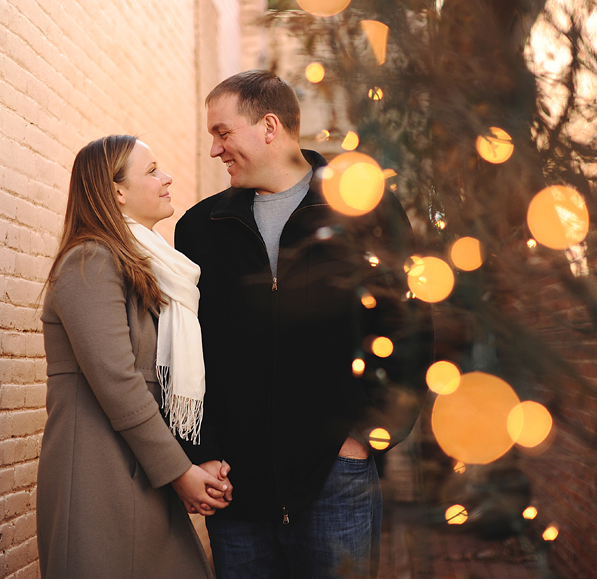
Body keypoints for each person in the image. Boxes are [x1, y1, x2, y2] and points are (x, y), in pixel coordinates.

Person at [174, 71, 433, 578]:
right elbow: (184, 353)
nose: (214, 150)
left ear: (269, 126)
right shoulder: (201, 229)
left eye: (223, 133)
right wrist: (200, 453)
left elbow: (409, 324)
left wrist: (368, 436)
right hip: (236, 487)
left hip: (336, 476)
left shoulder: (364, 209)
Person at [37, 135, 231, 579]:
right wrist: (179, 470)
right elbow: (119, 382)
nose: (167, 179)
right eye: (152, 171)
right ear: (117, 191)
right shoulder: (89, 261)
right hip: (99, 475)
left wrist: (193, 458)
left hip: (142, 467)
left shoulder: (145, 264)